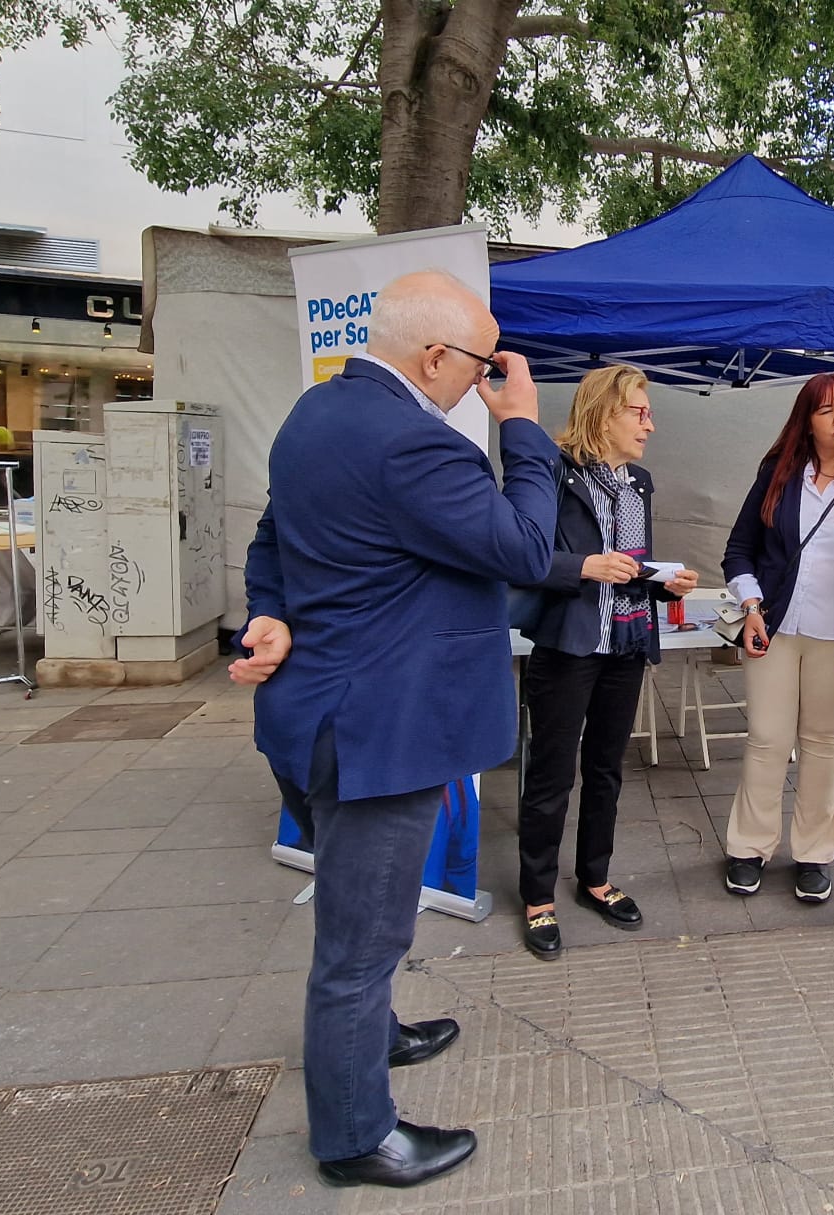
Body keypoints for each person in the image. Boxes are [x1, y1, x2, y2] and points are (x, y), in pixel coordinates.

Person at [230, 269, 559, 1188]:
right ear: (433, 356)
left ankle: (377, 1037)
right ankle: (352, 1134)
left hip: (319, 713)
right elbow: (528, 547)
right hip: (380, 729)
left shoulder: (314, 415)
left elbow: (272, 539)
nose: (485, 377)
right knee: (359, 946)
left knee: (357, 920)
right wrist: (522, 426)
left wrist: (271, 611)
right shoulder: (418, 444)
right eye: (482, 363)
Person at [516, 364, 698, 956]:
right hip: (569, 645)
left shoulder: (639, 481)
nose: (650, 424)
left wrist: (661, 584)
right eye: (638, 412)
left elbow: (631, 564)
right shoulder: (551, 470)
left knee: (606, 771)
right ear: (603, 414)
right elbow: (517, 552)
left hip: (625, 642)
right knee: (550, 776)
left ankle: (595, 877)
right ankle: (538, 895)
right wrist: (582, 567)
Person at [720, 373, 834, 902]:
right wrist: (751, 607)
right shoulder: (777, 475)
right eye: (827, 411)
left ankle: (814, 855)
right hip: (774, 630)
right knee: (768, 739)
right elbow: (738, 550)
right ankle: (749, 847)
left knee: (823, 745)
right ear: (807, 421)